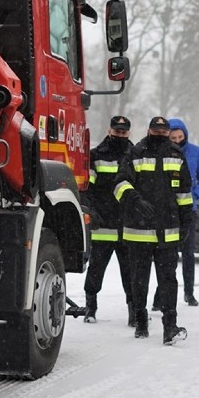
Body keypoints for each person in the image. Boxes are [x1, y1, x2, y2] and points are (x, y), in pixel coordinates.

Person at [114, 116, 193, 345]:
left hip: (168, 230)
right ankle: (140, 320)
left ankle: (170, 326)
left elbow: (184, 193)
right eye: (156, 130)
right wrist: (135, 201)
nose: (160, 134)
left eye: (163, 130)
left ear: (168, 132)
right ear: (149, 129)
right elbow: (120, 183)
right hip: (138, 230)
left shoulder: (177, 155)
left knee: (168, 280)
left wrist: (186, 223)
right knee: (139, 280)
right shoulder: (136, 152)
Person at [82, 116, 136, 325]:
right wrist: (92, 211)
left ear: (128, 133)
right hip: (103, 222)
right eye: (117, 131)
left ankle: (133, 311)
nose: (120, 135)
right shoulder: (96, 155)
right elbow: (88, 188)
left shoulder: (135, 155)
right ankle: (90, 307)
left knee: (130, 273)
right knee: (96, 268)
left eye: (123, 132)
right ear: (109, 130)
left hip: (128, 225)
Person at [150, 118, 199, 309]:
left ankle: (189, 292)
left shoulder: (196, 153)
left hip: (187, 210)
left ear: (185, 135)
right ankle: (161, 297)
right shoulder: (161, 152)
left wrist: (195, 194)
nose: (177, 140)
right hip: (166, 211)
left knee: (188, 254)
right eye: (173, 137)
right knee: (167, 255)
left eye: (180, 137)